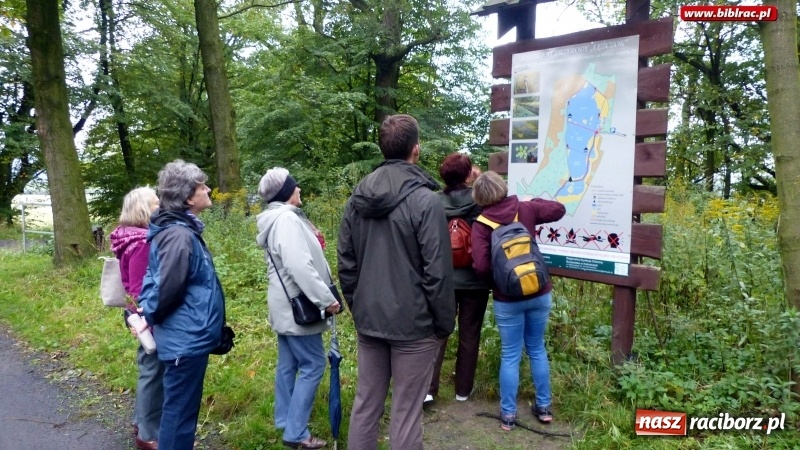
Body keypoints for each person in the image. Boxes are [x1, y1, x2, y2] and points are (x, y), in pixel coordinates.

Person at [338, 113, 456, 450]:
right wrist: (443, 324)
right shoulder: (427, 201)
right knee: (406, 412)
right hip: (414, 325)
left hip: (371, 319)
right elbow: (437, 272)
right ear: (415, 149)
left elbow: (347, 264)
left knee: (366, 405)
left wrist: (359, 306)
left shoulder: (356, 200)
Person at [138, 160, 225, 450]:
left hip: (187, 336)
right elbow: (168, 289)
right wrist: (150, 314)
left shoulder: (180, 231)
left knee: (180, 411)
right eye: (203, 186)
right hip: (185, 340)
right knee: (178, 415)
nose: (208, 189)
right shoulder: (178, 235)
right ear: (189, 196)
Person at [470, 171, 565, 430]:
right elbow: (559, 209)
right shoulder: (525, 209)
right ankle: (544, 407)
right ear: (503, 187)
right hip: (539, 291)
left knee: (510, 354)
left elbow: (479, 266)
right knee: (536, 348)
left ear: (479, 197)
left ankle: (509, 414)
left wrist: (499, 281)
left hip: (507, 298)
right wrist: (531, 201)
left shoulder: (481, 224)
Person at [255, 168, 340, 450]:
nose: (299, 188)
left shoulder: (276, 219)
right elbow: (298, 266)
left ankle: (285, 419)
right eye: (295, 185)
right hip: (298, 306)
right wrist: (325, 299)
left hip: (283, 305)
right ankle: (296, 433)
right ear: (286, 192)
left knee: (288, 364)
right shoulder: (286, 220)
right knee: (314, 364)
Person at [426, 154, 490, 404]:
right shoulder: (481, 201)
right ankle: (463, 391)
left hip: (443, 279)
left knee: (437, 333)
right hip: (475, 278)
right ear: (467, 175)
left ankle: (429, 390)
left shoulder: (433, 202)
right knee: (470, 334)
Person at [109, 187, 164, 450]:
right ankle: (147, 433)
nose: (160, 205)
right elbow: (141, 289)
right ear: (143, 208)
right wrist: (147, 321)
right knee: (153, 371)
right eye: (156, 202)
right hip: (145, 314)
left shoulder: (129, 237)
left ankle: (140, 422)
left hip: (138, 312)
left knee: (149, 368)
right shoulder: (142, 242)